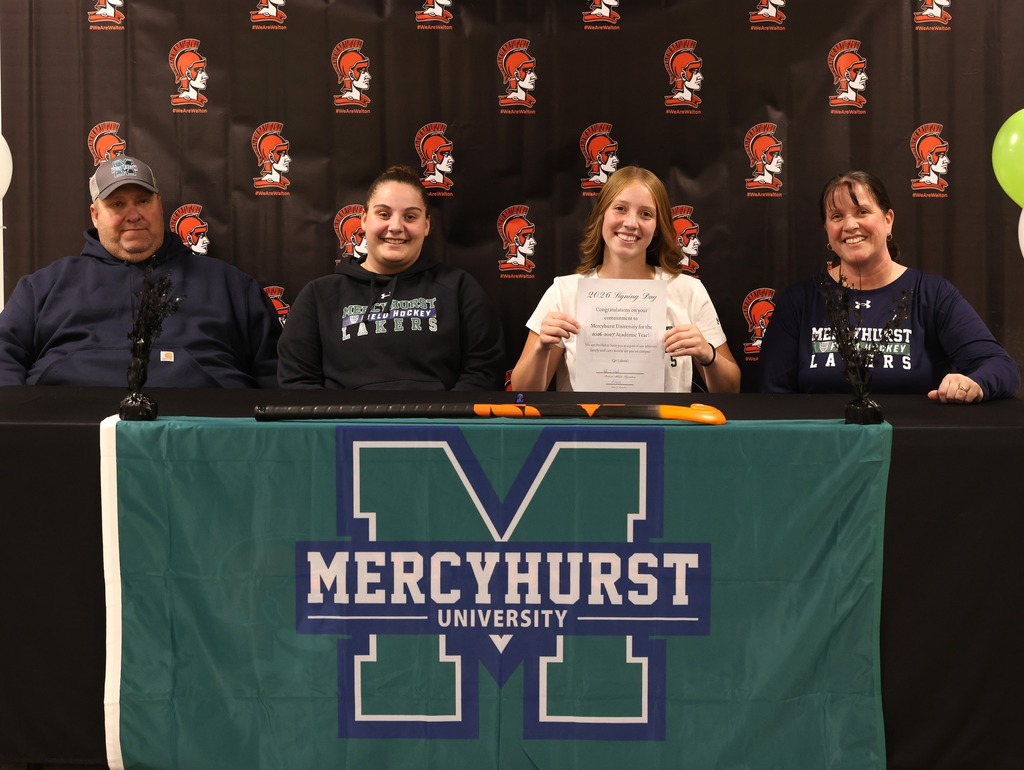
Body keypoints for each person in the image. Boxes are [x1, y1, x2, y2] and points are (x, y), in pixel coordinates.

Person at [0, 155, 281, 387]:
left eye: (143, 201)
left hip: (203, 433)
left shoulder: (230, 285)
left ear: (159, 206)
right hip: (71, 431)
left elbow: (275, 374)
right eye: (117, 204)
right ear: (95, 215)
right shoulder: (44, 286)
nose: (133, 215)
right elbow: (4, 356)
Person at [759, 170, 1021, 402]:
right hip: (822, 452)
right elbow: (773, 396)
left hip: (913, 449)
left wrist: (972, 384)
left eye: (862, 212)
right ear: (827, 229)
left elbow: (1000, 367)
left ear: (888, 220)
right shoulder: (800, 301)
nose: (850, 225)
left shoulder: (932, 294)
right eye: (837, 216)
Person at [510, 165, 741, 393]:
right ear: (602, 215)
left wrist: (707, 355)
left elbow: (731, 389)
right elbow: (522, 392)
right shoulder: (564, 292)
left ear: (658, 227)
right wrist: (542, 348)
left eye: (646, 214)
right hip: (585, 429)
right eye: (620, 208)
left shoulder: (688, 291)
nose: (631, 223)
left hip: (667, 429)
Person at [277, 165, 505, 390]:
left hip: (437, 426)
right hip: (347, 426)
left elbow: (483, 371)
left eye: (410, 216)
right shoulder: (319, 296)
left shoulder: (459, 289)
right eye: (384, 214)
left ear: (426, 225)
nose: (396, 227)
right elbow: (298, 381)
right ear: (364, 220)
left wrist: (443, 421)